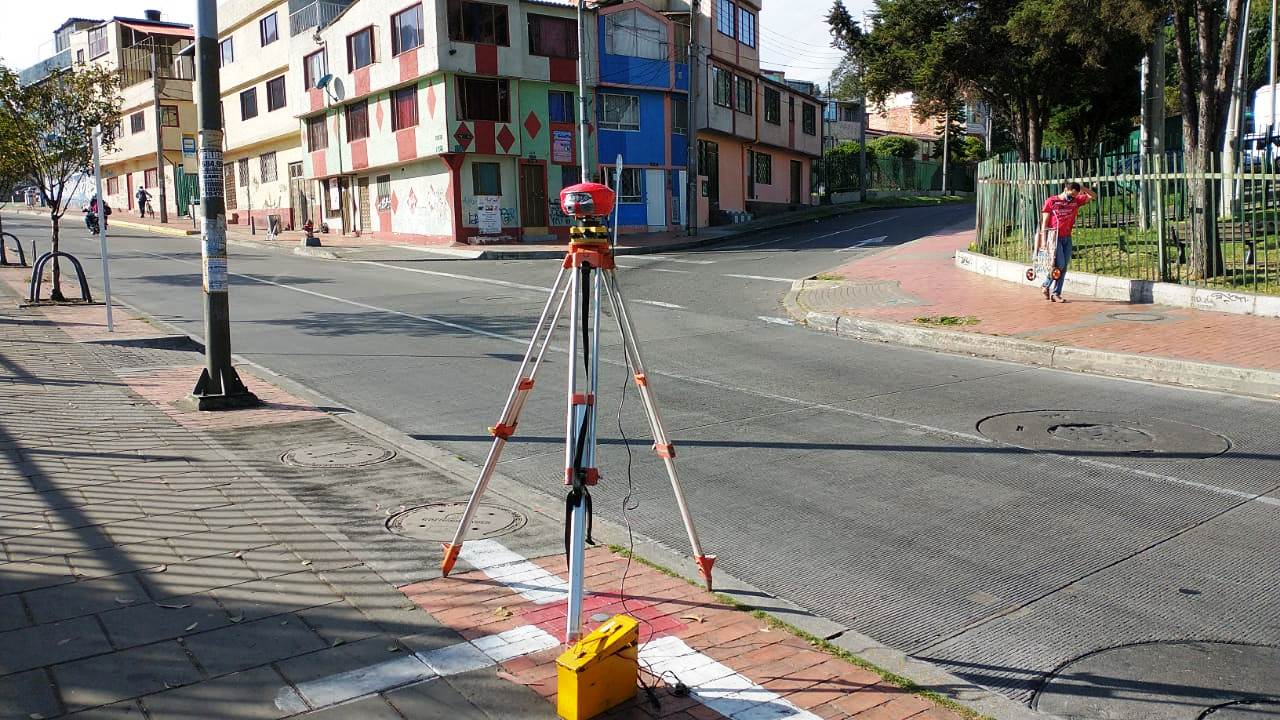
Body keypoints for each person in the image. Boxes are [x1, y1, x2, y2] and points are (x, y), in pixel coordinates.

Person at [1038, 181, 1095, 302]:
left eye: (1075, 195)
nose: (1072, 197)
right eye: (1071, 194)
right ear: (1065, 189)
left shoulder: (1076, 200)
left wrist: (1082, 188)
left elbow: (1092, 196)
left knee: (1063, 268)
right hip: (1054, 236)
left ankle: (1055, 293)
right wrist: (1043, 241)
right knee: (1060, 264)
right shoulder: (1052, 201)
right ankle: (1047, 285)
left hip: (1067, 237)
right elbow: (1044, 222)